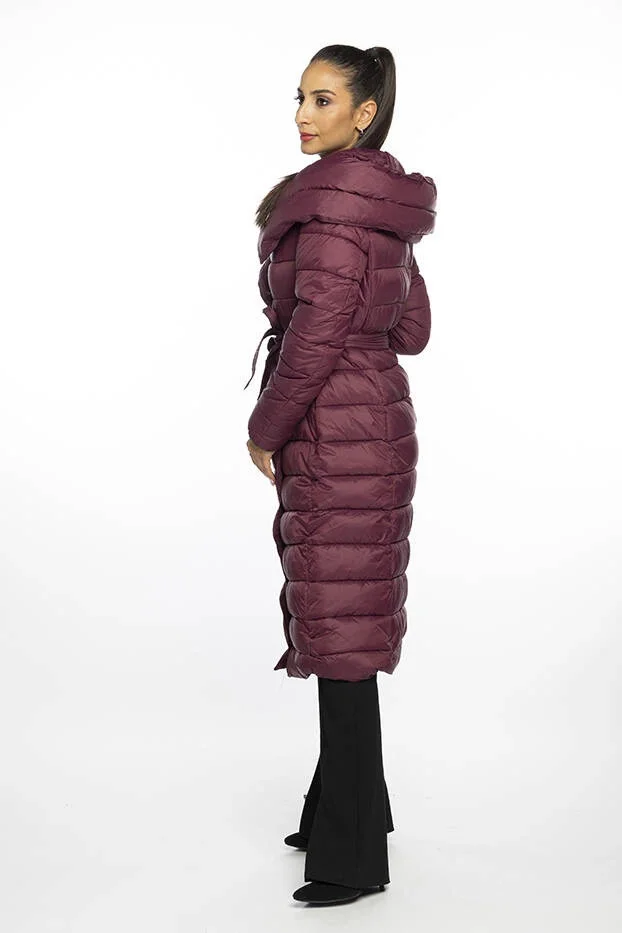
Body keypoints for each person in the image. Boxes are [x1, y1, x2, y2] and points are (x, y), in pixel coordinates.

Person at [244, 44, 437, 906]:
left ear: (365, 113)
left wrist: (266, 427)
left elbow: (315, 337)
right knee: (344, 622)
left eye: (323, 100)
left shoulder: (325, 214)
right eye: (299, 96)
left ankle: (352, 857)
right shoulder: (381, 208)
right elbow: (412, 331)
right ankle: (345, 810)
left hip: (334, 429)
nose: (301, 114)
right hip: (378, 419)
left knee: (340, 634)